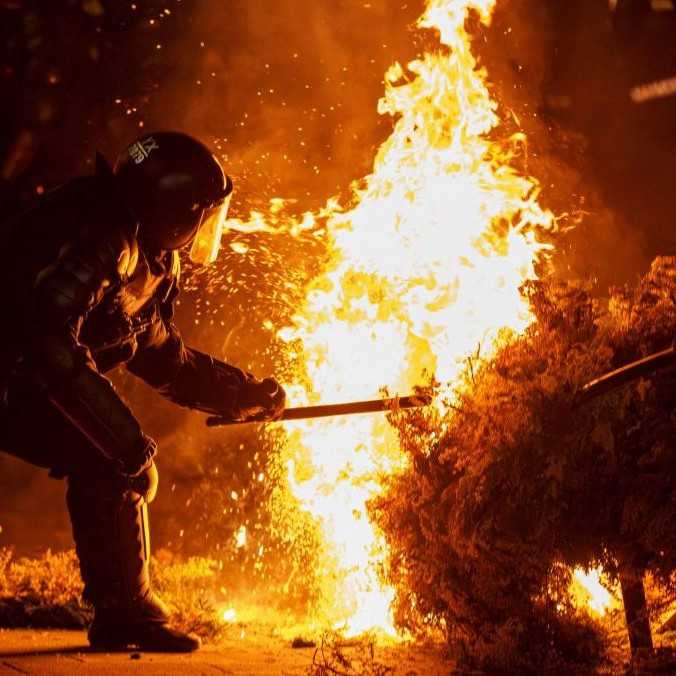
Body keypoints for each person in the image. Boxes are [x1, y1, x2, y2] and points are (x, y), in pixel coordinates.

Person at [0, 131, 286, 652]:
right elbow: (45, 338)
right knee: (110, 456)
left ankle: (123, 612)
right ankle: (126, 615)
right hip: (14, 374)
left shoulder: (144, 249)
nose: (205, 229)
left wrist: (240, 394)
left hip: (22, 375)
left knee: (106, 454)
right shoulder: (106, 239)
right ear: (175, 211)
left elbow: (159, 355)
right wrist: (126, 444)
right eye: (202, 215)